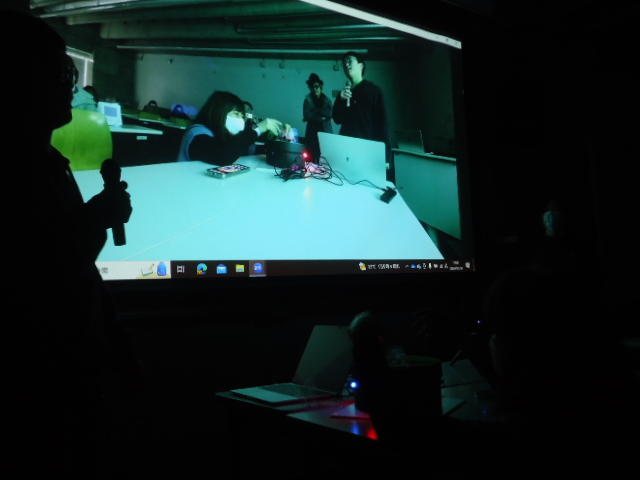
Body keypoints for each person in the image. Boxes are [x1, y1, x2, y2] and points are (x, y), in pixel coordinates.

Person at [4, 10, 137, 479]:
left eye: (68, 71)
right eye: (57, 72)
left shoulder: (45, 159)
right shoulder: (20, 167)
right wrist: (96, 219)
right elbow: (36, 278)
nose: (70, 84)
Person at [177, 90, 288, 165]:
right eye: (236, 114)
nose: (241, 120)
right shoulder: (197, 133)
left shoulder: (223, 135)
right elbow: (222, 155)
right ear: (219, 113)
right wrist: (258, 129)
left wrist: (277, 140)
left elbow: (248, 149)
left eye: (242, 116)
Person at [332, 51, 392, 178]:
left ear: (361, 65)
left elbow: (383, 125)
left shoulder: (374, 91)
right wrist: (340, 99)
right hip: (345, 150)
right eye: (344, 63)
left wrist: (386, 157)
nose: (346, 64)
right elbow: (337, 119)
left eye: (349, 61)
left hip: (366, 150)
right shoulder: (344, 93)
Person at [302, 73, 333, 162]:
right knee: (310, 156)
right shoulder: (307, 100)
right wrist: (321, 116)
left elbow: (330, 114)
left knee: (324, 156)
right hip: (312, 133)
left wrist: (315, 113)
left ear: (320, 86)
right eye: (312, 87)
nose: (314, 89)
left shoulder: (327, 100)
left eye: (316, 86)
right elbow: (306, 115)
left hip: (325, 131)